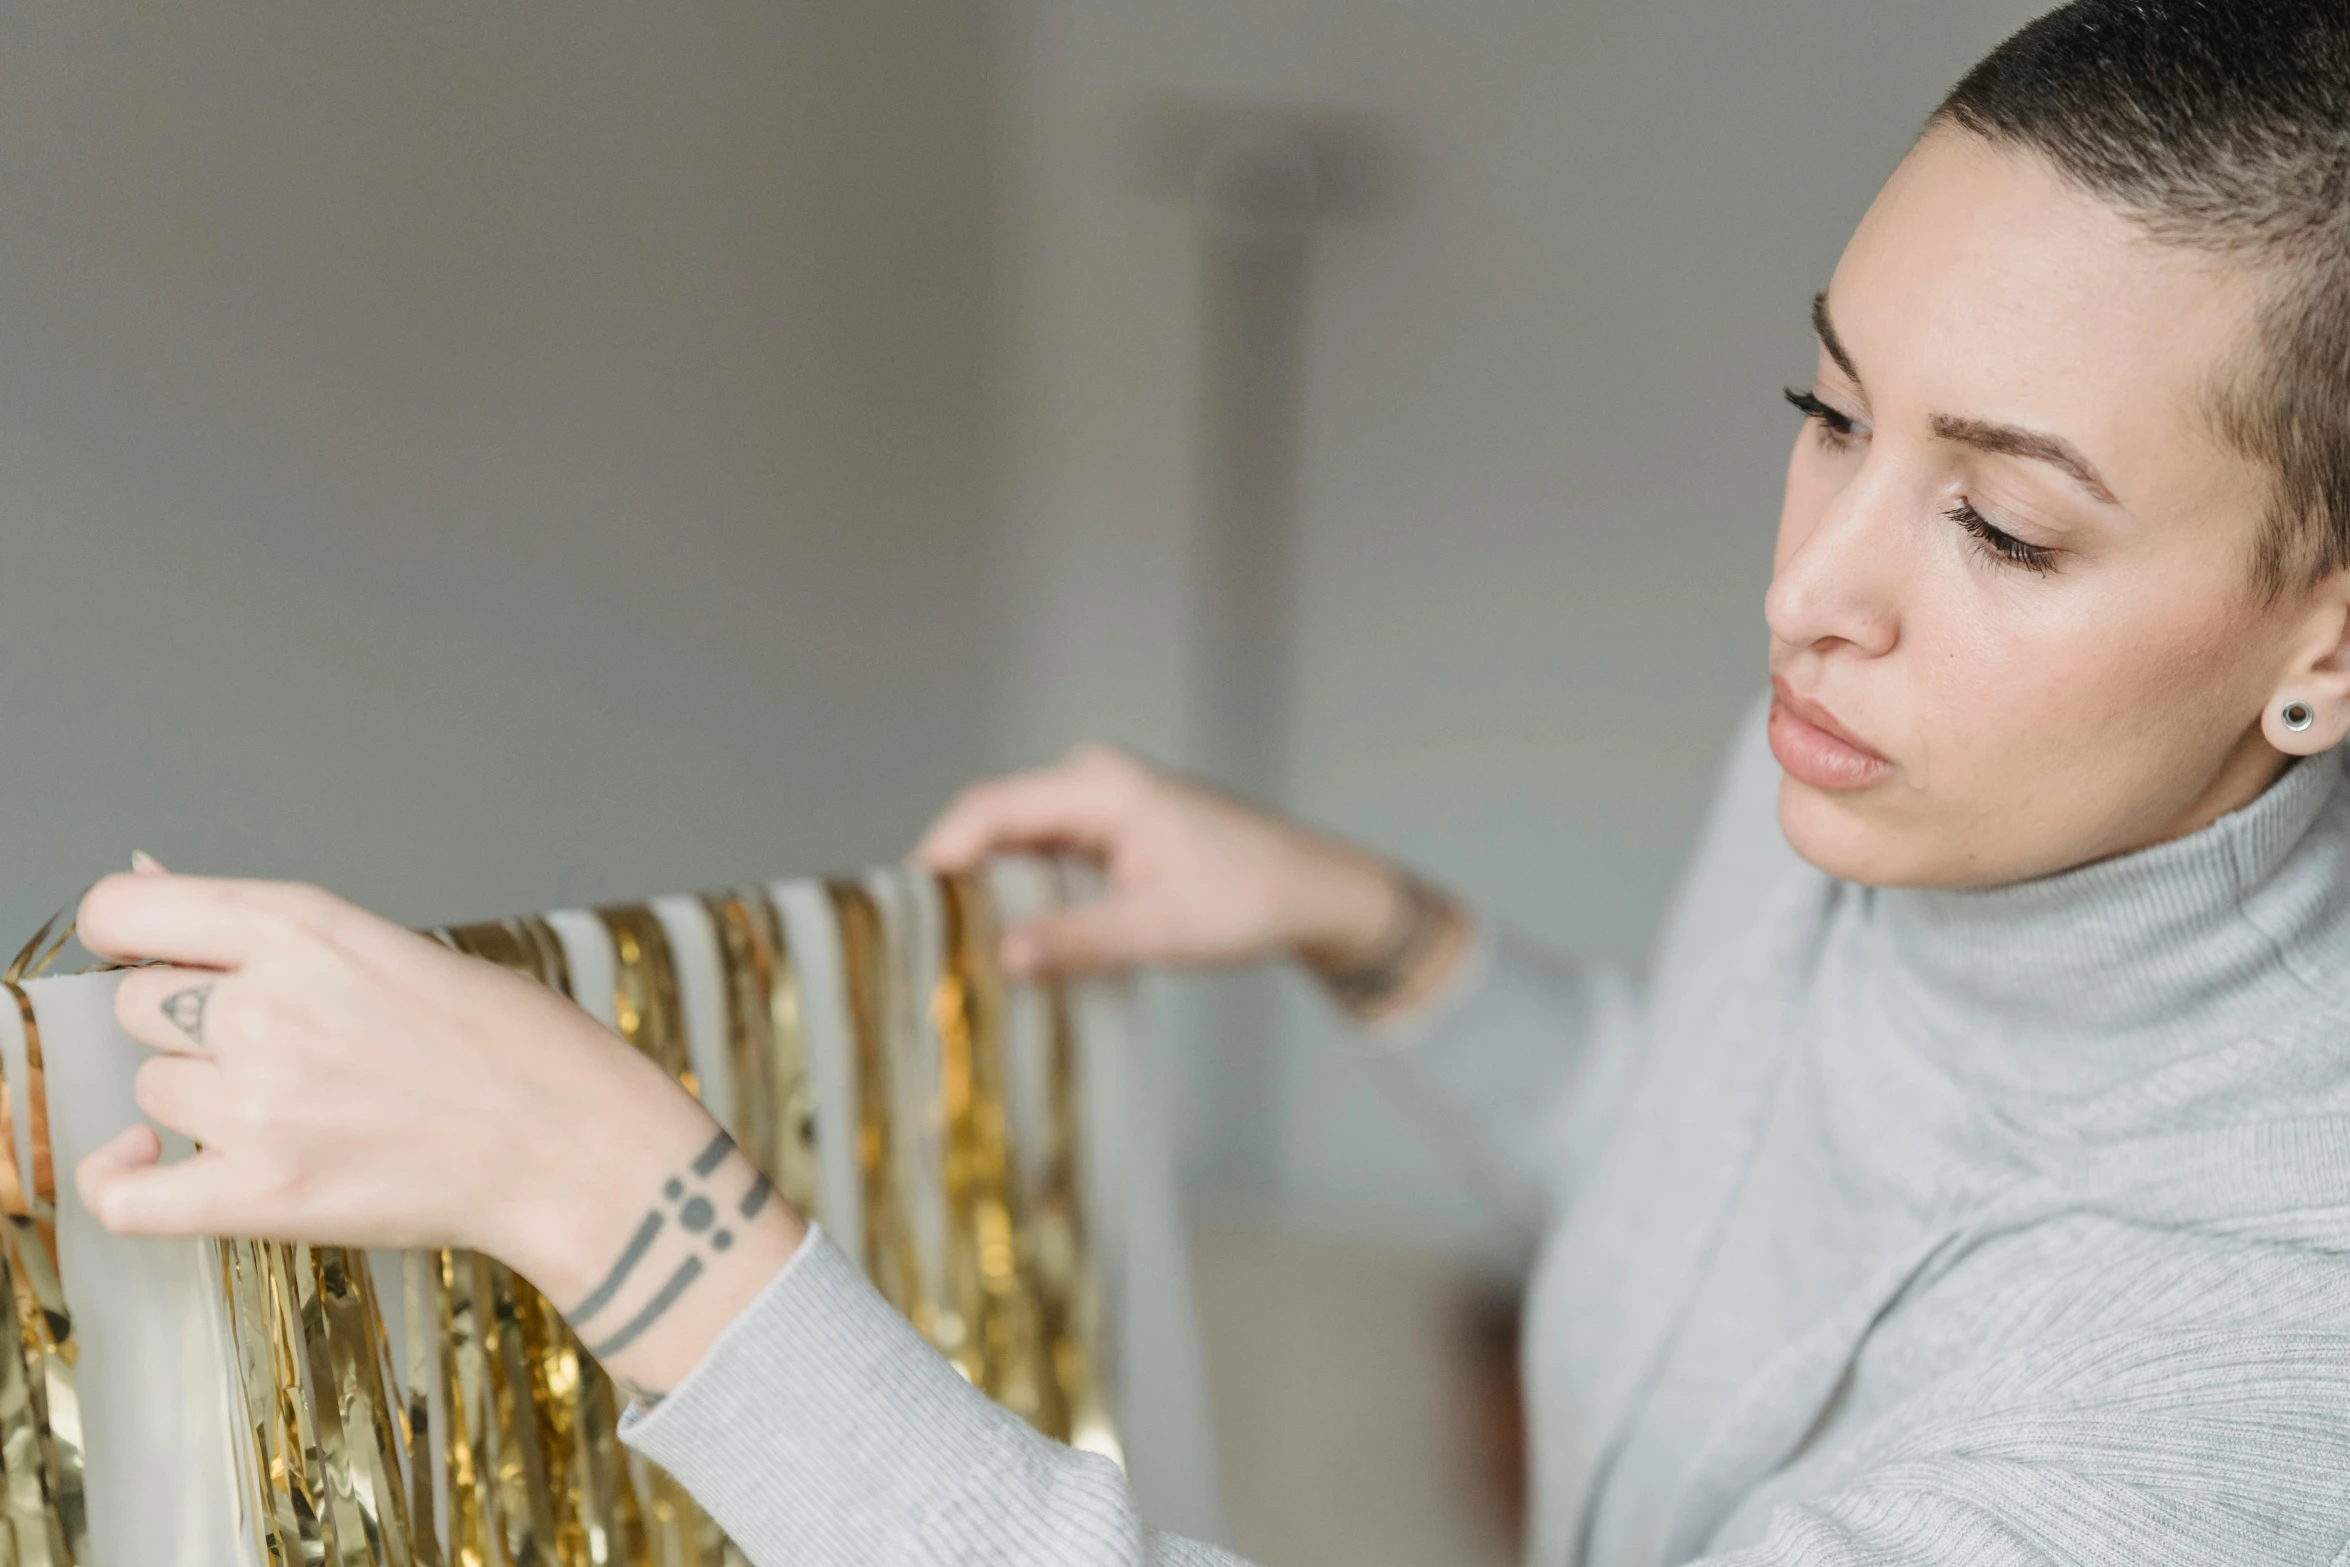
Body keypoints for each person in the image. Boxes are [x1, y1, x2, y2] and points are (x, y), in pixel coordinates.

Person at [65, 1, 2350, 1561]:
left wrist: (609, 1191)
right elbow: (1747, 1184)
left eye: (2004, 526)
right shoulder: (1922, 756)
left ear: (2318, 644)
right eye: (1827, 414)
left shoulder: (2250, 1356)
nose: (1808, 595)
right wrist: (1371, 928)